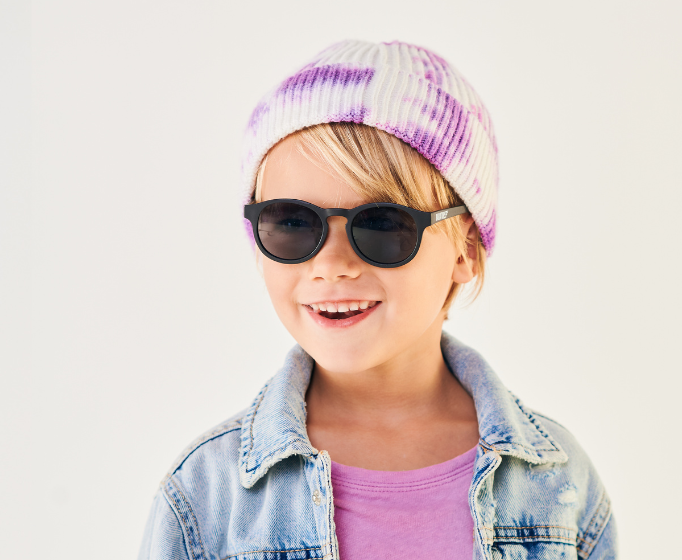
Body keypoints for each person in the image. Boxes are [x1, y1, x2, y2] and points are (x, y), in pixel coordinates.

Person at [138, 39, 617, 560]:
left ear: (465, 249)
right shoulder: (207, 497)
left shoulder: (557, 482)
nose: (332, 265)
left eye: (383, 225)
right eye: (293, 223)